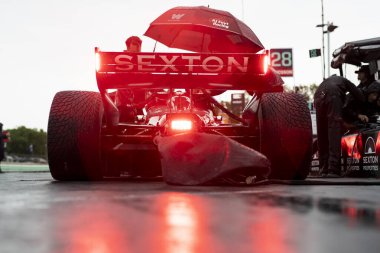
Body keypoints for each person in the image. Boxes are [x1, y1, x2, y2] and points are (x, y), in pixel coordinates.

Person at [314, 75, 365, 177]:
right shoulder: (345, 81)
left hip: (318, 96)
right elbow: (359, 95)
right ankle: (333, 169)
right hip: (332, 95)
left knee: (322, 133)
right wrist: (364, 102)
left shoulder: (328, 81)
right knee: (334, 130)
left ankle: (323, 168)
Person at [116, 36, 144, 121]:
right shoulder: (121, 62)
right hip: (125, 106)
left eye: (139, 45)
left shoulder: (142, 62)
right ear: (127, 48)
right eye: (135, 44)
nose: (138, 47)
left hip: (138, 106)